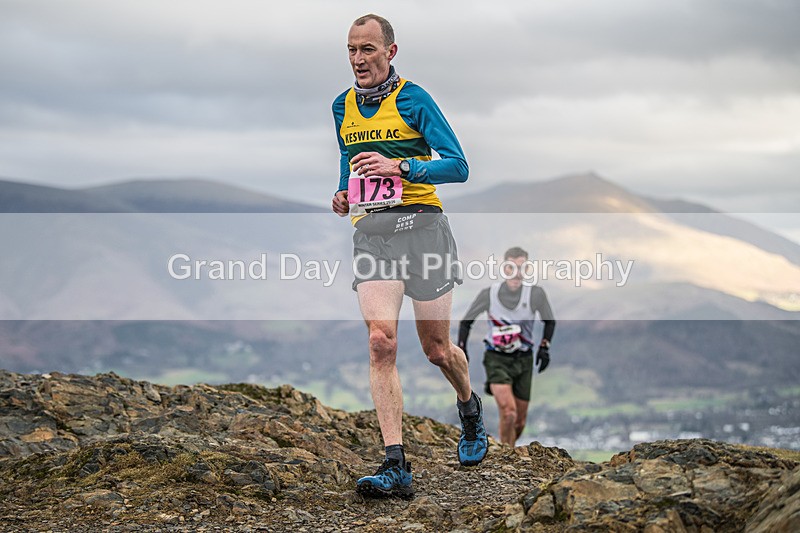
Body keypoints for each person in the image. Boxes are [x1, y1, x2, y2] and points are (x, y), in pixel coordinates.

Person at [331, 14, 487, 499]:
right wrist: (342, 193)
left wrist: (401, 164)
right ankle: (395, 465)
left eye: (368, 50)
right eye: (352, 50)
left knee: (437, 349)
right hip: (374, 235)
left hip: (424, 230)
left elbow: (458, 166)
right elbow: (347, 159)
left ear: (390, 52)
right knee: (381, 341)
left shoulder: (414, 100)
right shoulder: (342, 106)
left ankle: (468, 407)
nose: (358, 59)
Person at [457, 247, 556, 447]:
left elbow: (550, 321)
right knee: (508, 412)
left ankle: (508, 446)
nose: (516, 273)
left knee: (519, 420)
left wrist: (544, 347)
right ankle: (507, 452)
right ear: (504, 268)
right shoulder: (489, 294)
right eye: (511, 267)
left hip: (524, 360)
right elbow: (466, 321)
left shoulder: (535, 294)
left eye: (522, 267)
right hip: (496, 358)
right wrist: (462, 349)